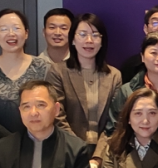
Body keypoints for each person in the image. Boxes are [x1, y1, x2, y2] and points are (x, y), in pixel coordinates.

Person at [47, 13, 121, 153]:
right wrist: (78, 149)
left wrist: (98, 155)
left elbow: (114, 120)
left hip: (104, 150)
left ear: (102, 41)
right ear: (73, 40)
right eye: (82, 34)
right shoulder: (58, 72)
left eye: (95, 35)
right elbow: (57, 116)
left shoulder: (114, 76)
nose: (89, 40)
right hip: (68, 149)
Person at [0, 9, 51, 141]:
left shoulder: (44, 67)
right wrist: (10, 141)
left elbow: (51, 108)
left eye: (16, 28)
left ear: (26, 33)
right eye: (4, 29)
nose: (11, 34)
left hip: (37, 142)